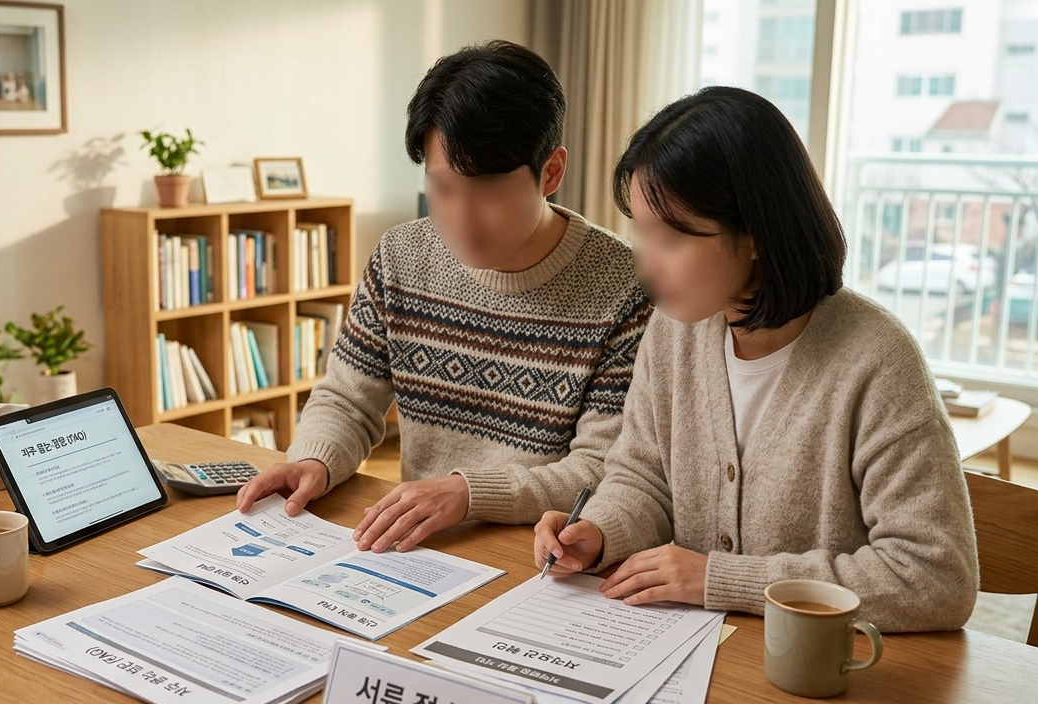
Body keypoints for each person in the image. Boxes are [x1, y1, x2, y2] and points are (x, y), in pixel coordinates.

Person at [533, 86, 978, 633]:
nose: (646, 264)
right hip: (696, 647)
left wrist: (720, 578)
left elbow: (934, 577)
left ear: (755, 236)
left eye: (670, 239)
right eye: (641, 233)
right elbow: (644, 477)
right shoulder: (673, 330)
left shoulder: (877, 361)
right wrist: (600, 530)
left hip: (821, 667)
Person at [236, 40, 652, 553]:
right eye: (443, 188)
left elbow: (601, 469)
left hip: (548, 554)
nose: (461, 219)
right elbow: (347, 400)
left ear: (551, 171)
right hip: (421, 544)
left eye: (488, 191)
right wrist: (313, 460)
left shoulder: (627, 288)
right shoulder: (400, 257)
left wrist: (469, 493)